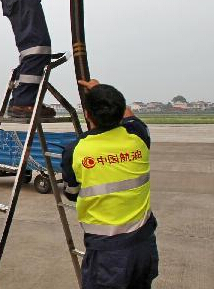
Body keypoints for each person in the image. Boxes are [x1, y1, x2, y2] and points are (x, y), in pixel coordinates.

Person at [61, 79, 158, 289]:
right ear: (120, 110)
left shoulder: (75, 150)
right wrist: (98, 88)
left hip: (107, 253)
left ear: (87, 114)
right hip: (144, 246)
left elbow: (71, 193)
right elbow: (131, 117)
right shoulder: (138, 137)